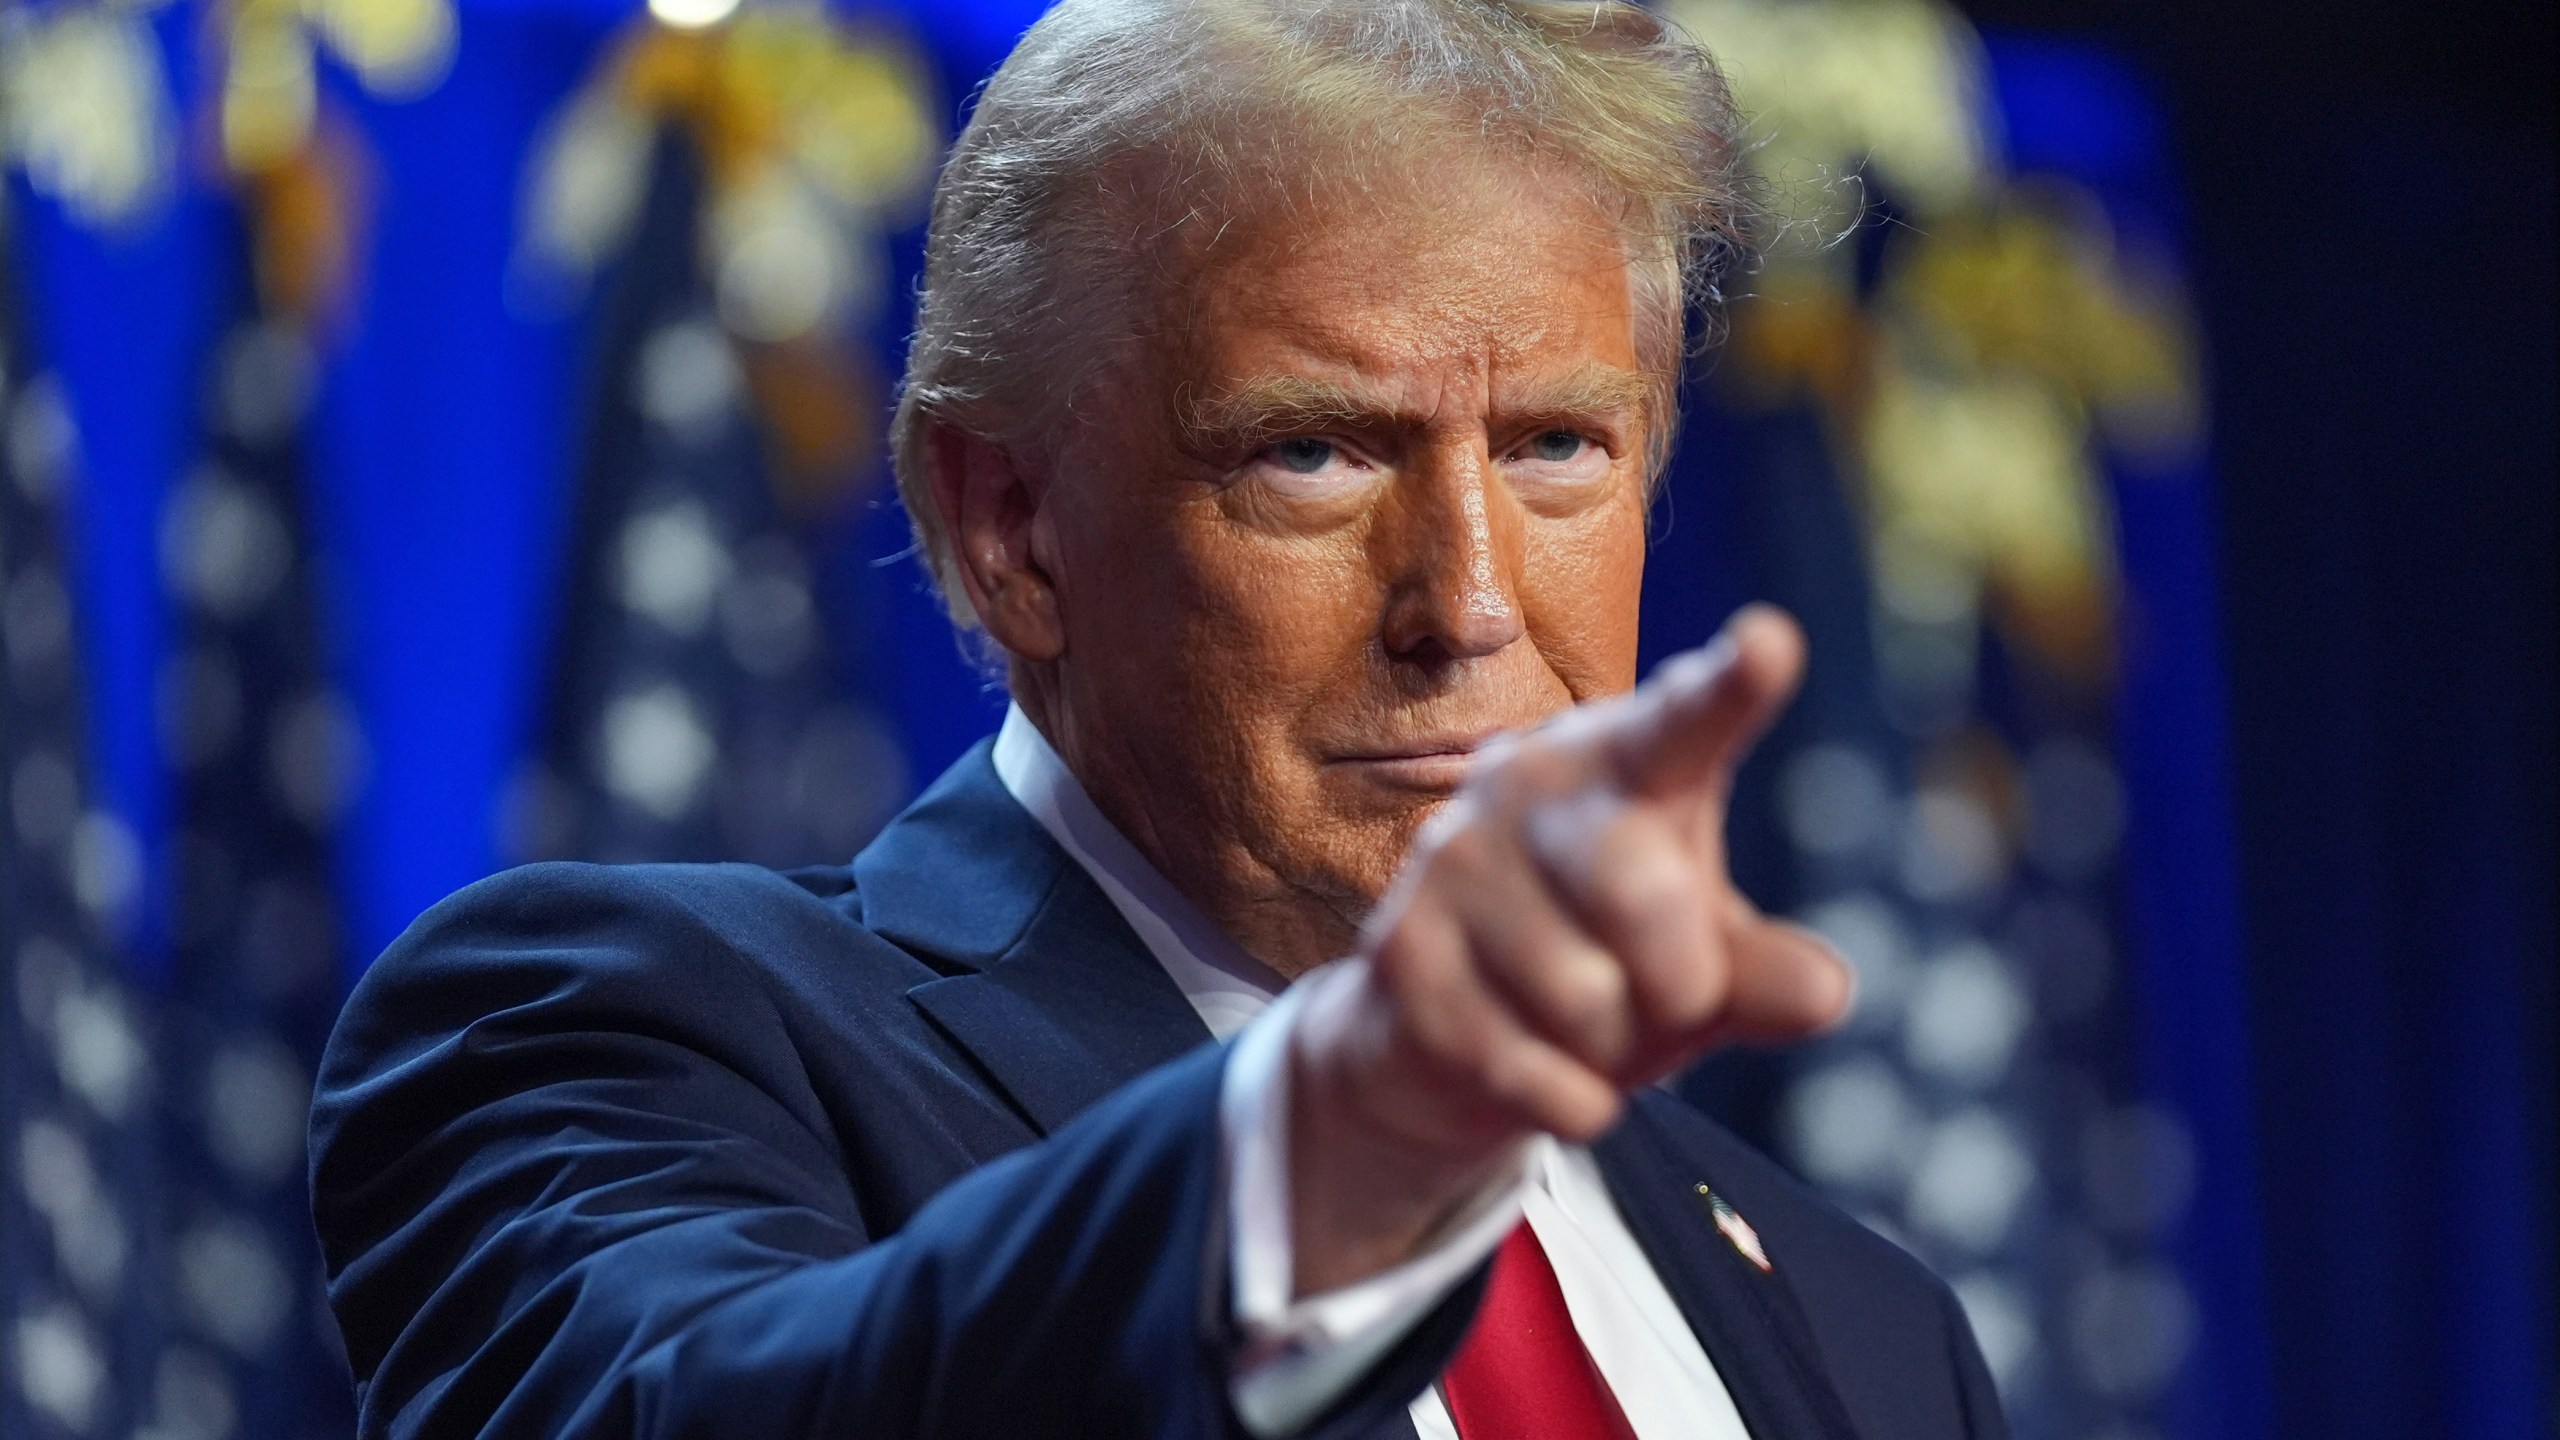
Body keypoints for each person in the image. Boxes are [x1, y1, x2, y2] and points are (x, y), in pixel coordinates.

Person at [310, 2, 2009, 1436]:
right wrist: (1332, 1164)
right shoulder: (616, 1037)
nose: (1474, 603)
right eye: (1316, 453)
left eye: (1559, 445)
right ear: (1013, 530)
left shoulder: (1872, 1330)